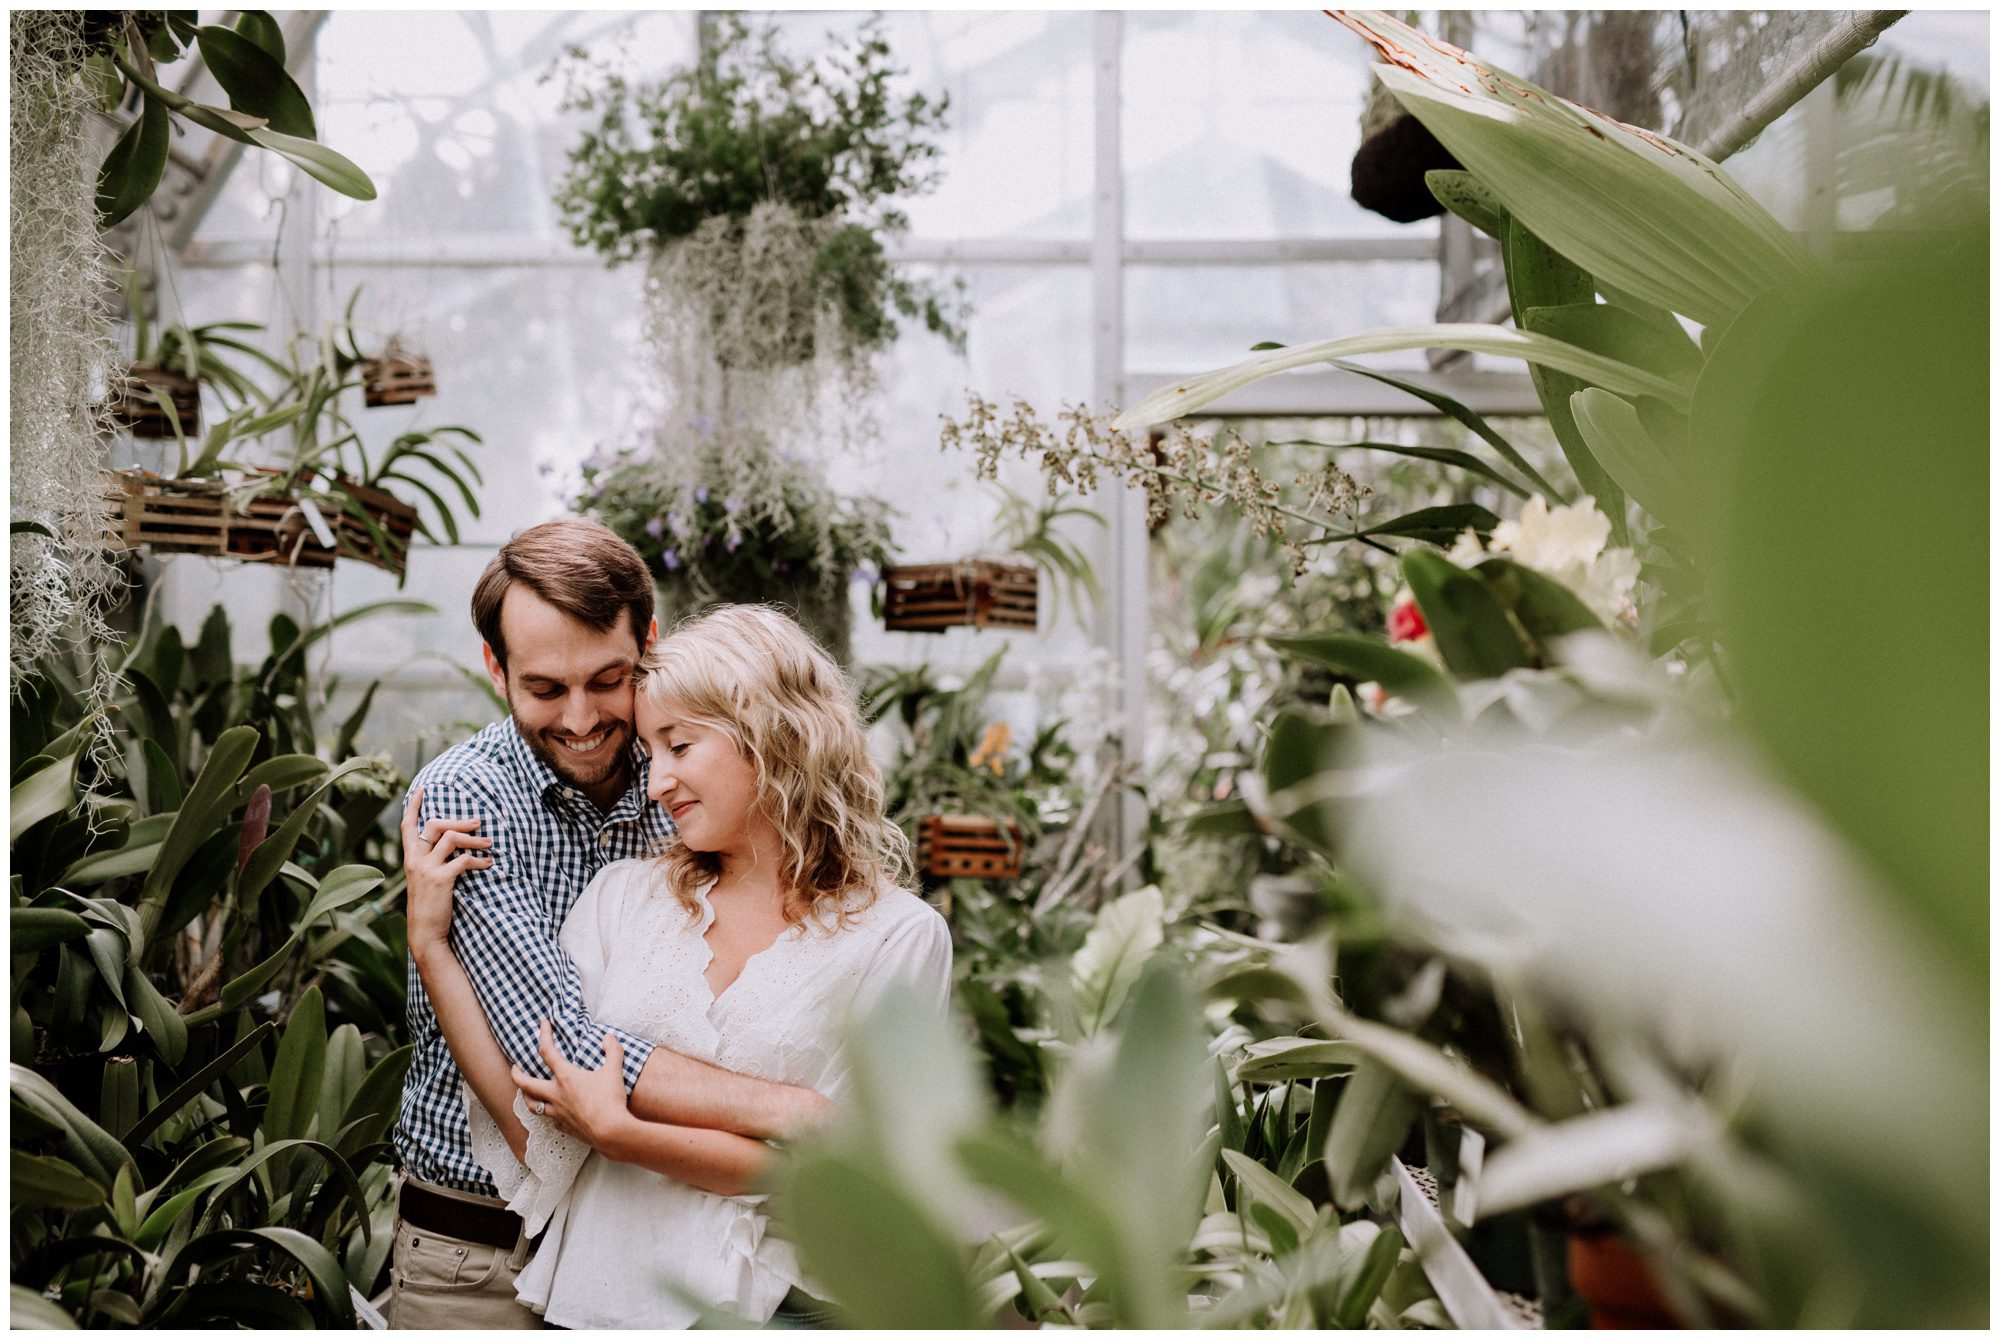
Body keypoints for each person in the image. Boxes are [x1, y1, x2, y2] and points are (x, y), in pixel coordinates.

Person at [402, 603, 952, 1328]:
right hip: (590, 1309)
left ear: (771, 735)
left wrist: (626, 1135)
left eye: (679, 747)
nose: (655, 781)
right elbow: (532, 1110)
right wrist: (432, 949)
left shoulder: (899, 936)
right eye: (651, 751)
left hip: (781, 1311)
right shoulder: (624, 900)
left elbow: (848, 1176)